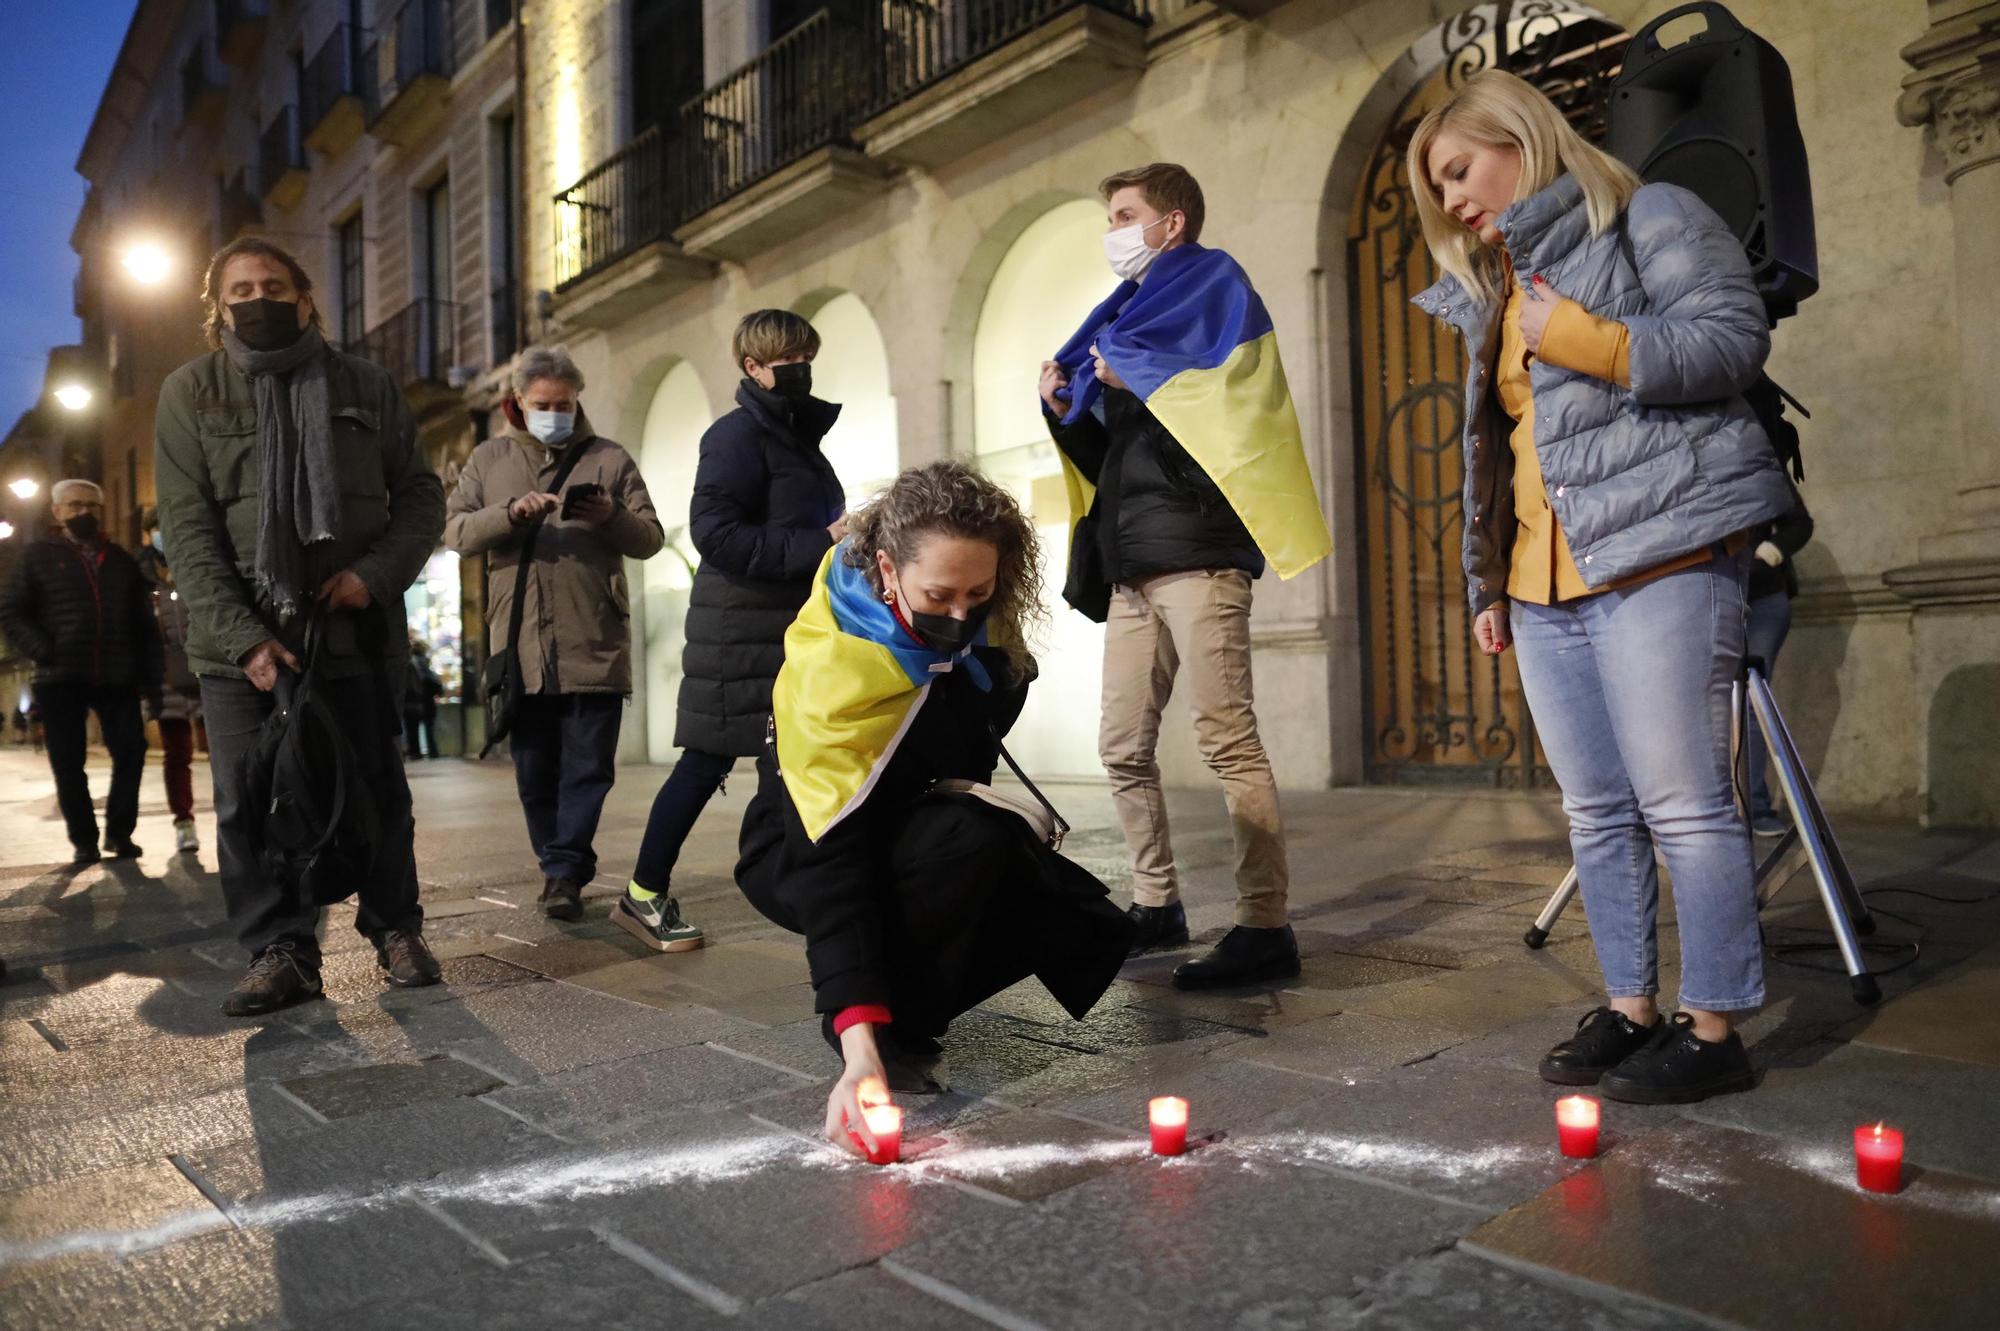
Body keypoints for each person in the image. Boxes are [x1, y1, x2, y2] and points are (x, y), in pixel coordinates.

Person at [1410, 70, 1795, 1103]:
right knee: (1594, 810)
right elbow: (1492, 450)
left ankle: (1712, 1026)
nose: (1450, 200)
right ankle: (1629, 1007)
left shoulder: (1650, 214)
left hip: (1662, 551)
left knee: (1683, 803)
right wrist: (1486, 580)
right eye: (1437, 187)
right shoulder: (1494, 294)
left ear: (1519, 138)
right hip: (1541, 585)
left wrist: (1578, 335)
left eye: (1458, 169)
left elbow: (1729, 338)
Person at [735, 460, 1134, 1153]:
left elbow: (964, 739)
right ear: (887, 570)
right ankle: (886, 1033)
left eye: (979, 592)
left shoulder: (980, 639)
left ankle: (907, 1010)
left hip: (910, 822)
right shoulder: (832, 677)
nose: (961, 614)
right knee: (961, 844)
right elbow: (832, 869)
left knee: (1030, 880)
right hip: (803, 849)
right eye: (939, 594)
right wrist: (856, 1040)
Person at [1040, 162, 1333, 989]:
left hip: (1200, 555)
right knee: (1122, 744)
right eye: (1108, 217)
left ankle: (1265, 925)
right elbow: (1115, 460)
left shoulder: (1214, 287)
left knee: (1225, 738)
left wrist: (1151, 384)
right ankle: (1156, 901)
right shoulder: (1124, 316)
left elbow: (1238, 423)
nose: (1113, 231)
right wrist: (1063, 406)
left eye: (1126, 214)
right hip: (1134, 564)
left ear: (1172, 223)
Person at [156, 237, 446, 1016]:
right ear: (217, 307)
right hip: (239, 648)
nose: (259, 298)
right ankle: (281, 948)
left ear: (306, 298)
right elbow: (187, 531)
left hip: (350, 631)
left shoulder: (366, 385)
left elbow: (420, 497)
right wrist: (245, 638)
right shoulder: (191, 393)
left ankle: (397, 930)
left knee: (377, 787)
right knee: (250, 801)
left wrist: (374, 576)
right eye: (241, 288)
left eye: (274, 284)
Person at [623, 310, 846, 953]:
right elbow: (713, 534)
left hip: (784, 625)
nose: (802, 370)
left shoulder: (791, 437)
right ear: (752, 368)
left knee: (790, 757)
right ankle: (642, 893)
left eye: (807, 356)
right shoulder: (736, 436)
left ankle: (808, 888)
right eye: (788, 360)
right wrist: (820, 541)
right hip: (738, 628)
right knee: (706, 761)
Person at [444, 345, 665, 922]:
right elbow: (456, 532)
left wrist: (609, 517)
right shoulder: (488, 459)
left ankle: (566, 871)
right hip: (519, 645)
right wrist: (512, 514)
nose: (554, 413)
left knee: (590, 767)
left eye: (564, 404)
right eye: (543, 404)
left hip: (594, 638)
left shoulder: (609, 458)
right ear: (517, 402)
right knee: (534, 768)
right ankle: (555, 865)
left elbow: (650, 538)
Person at [0, 479, 162, 865]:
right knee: (68, 762)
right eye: (73, 506)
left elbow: (144, 625)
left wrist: (151, 682)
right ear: (56, 512)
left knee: (131, 751)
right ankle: (84, 840)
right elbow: (10, 609)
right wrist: (43, 650)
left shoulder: (120, 561)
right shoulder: (36, 555)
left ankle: (120, 833)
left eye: (90, 505)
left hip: (117, 674)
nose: (82, 512)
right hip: (59, 678)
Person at [1744, 481, 1813, 837]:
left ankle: (1755, 806)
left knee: (1753, 702)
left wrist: (1767, 553)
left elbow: (1799, 522)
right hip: (1704, 594)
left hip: (1762, 598)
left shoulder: (1749, 448)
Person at [139, 508, 204, 854]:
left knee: (228, 752)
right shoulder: (140, 575)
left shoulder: (198, 559)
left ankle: (239, 818)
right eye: (156, 528)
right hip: (165, 676)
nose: (163, 533)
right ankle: (184, 821)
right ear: (148, 534)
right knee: (177, 753)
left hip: (207, 667)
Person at [403, 633, 444, 760]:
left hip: (413, 700)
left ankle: (415, 752)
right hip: (425, 700)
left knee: (412, 729)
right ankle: (432, 751)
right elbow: (432, 682)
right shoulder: (424, 664)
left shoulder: (410, 662)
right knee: (429, 729)